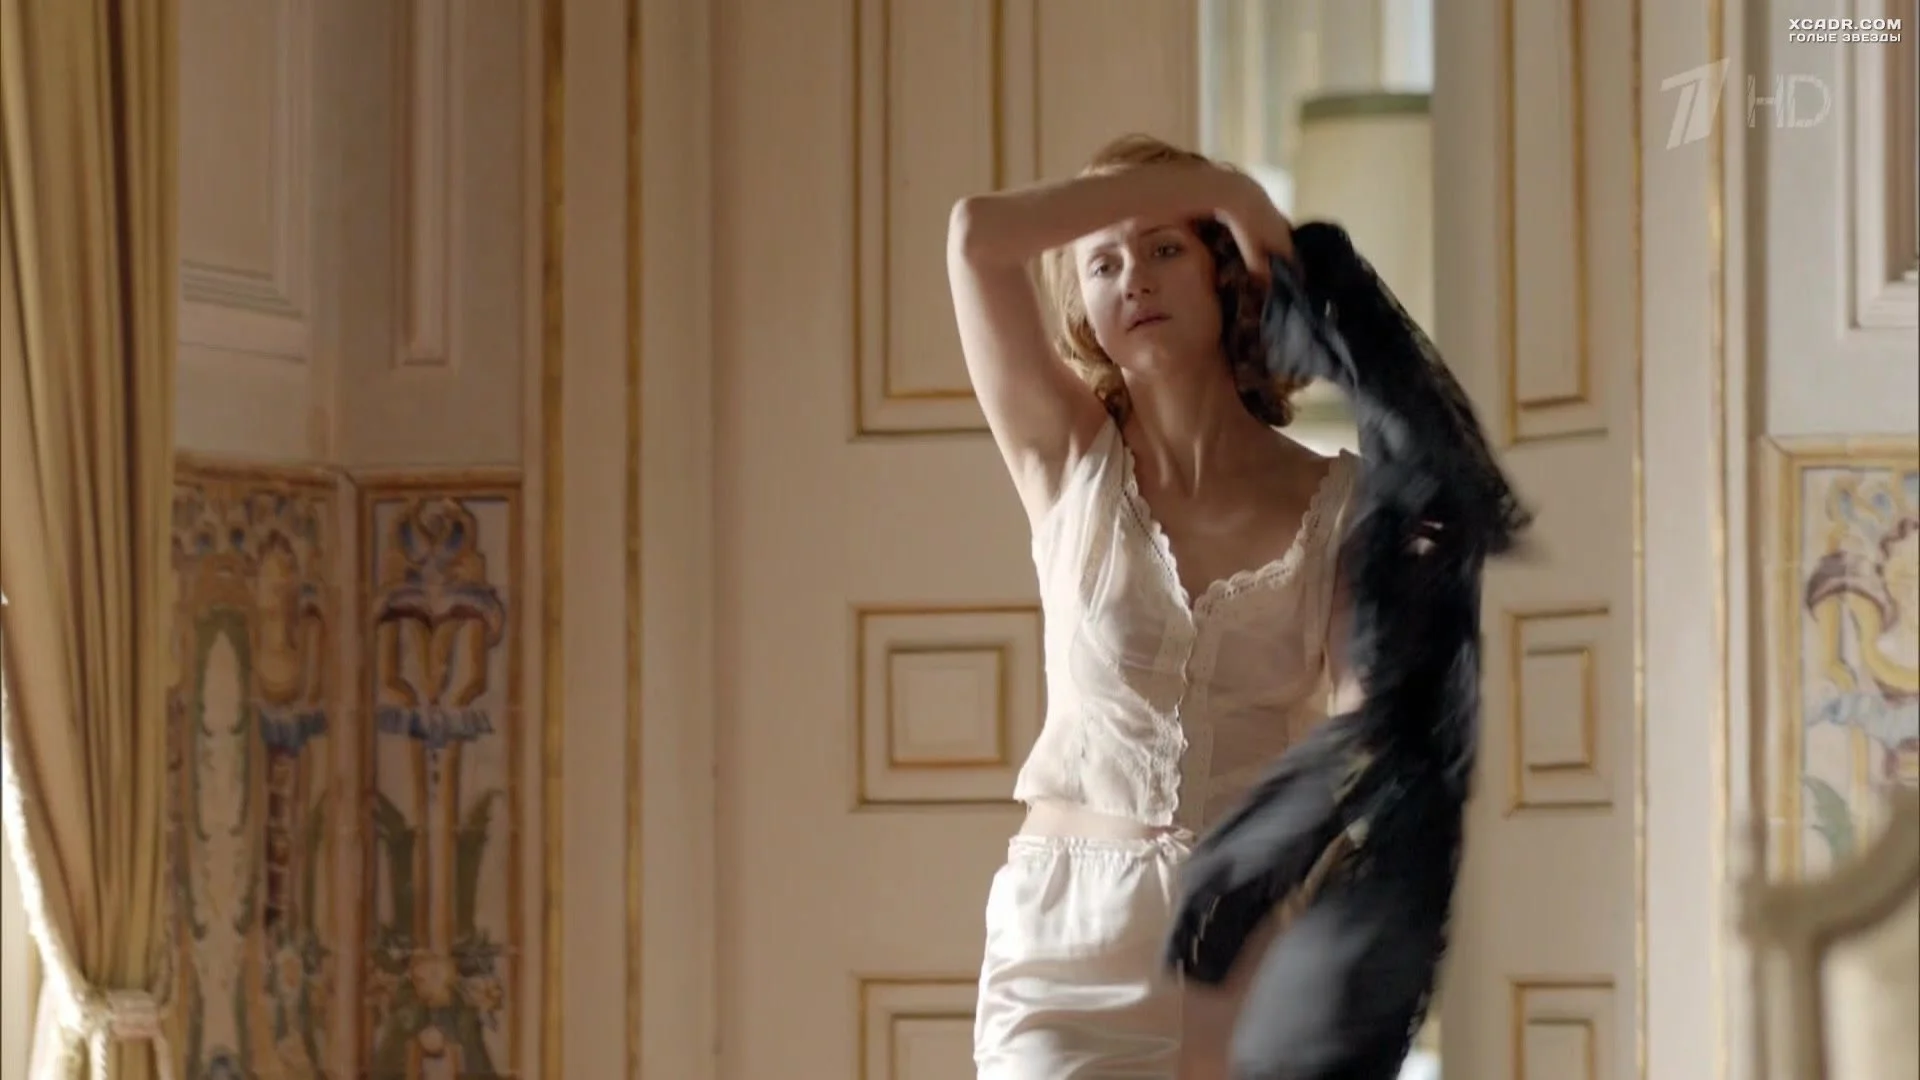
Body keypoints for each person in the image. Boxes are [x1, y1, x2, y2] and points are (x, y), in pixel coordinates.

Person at [947, 132, 1367, 1079]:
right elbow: (976, 238)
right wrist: (1219, 186)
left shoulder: (1344, 503)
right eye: (1103, 263)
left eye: (1165, 247)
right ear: (1087, 310)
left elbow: (1362, 737)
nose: (1133, 278)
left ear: (1225, 273)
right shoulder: (1065, 459)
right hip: (1066, 950)